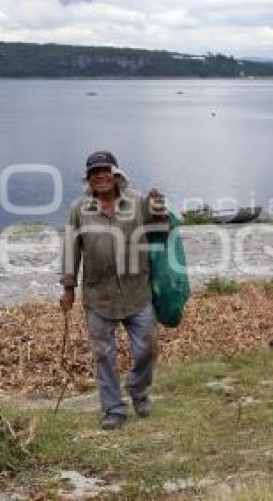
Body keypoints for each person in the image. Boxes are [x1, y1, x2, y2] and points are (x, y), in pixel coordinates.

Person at [60, 150, 168, 430]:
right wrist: (68, 287)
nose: (100, 177)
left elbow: (161, 233)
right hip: (98, 295)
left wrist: (159, 211)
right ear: (88, 179)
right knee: (103, 354)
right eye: (94, 173)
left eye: (105, 171)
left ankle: (137, 389)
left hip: (137, 291)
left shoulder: (136, 201)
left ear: (116, 174)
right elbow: (70, 250)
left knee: (147, 347)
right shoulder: (78, 210)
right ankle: (113, 409)